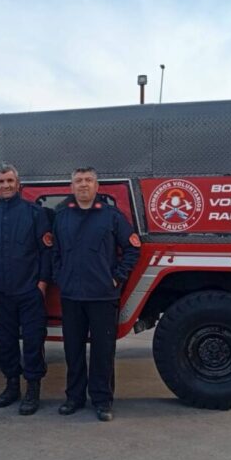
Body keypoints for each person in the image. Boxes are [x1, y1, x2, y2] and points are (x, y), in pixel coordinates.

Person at [52, 167, 140, 421]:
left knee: (103, 351)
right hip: (71, 296)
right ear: (71, 187)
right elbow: (54, 252)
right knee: (73, 350)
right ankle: (74, 398)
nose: (83, 185)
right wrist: (60, 276)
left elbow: (133, 249)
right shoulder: (61, 216)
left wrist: (116, 278)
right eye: (78, 180)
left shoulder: (111, 216)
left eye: (88, 180)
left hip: (103, 296)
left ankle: (102, 401)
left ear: (97, 186)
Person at [0, 163, 52, 415]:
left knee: (32, 342)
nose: (6, 185)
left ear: (18, 184)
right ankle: (11, 386)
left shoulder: (35, 214)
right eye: (1, 181)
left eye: (10, 181)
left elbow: (46, 253)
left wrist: (41, 285)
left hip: (29, 292)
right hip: (0, 293)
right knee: (5, 343)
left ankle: (32, 389)